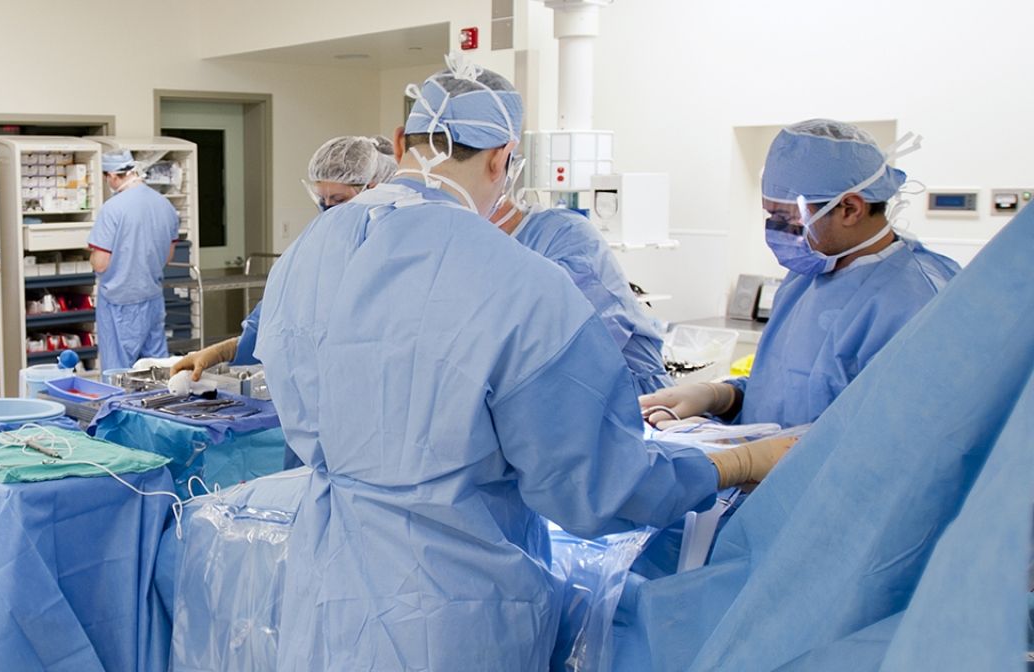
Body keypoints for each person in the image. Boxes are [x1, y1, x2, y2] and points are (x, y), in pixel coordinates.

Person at [257, 61, 793, 671]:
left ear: (401, 142)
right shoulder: (521, 282)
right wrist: (737, 462)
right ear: (502, 159)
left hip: (324, 587)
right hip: (452, 607)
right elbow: (599, 488)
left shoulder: (306, 253)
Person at [640, 119, 959, 429]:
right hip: (769, 481)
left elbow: (891, 436)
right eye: (769, 214)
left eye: (785, 216)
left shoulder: (921, 301)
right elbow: (784, 394)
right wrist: (724, 397)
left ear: (850, 208)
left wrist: (749, 459)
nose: (775, 229)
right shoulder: (805, 278)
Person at [171, 135, 396, 378]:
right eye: (322, 200)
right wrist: (223, 351)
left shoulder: (390, 243)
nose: (329, 208)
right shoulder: (320, 238)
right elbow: (281, 305)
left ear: (373, 188)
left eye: (339, 200)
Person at [491, 197, 672, 393]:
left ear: (497, 167)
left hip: (630, 399)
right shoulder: (478, 249)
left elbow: (569, 345)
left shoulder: (566, 234)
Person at [88, 150, 181, 371]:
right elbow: (168, 256)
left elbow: (100, 263)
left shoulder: (112, 209)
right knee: (156, 369)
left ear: (111, 175)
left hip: (120, 301)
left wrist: (92, 253)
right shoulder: (164, 205)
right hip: (152, 298)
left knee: (119, 373)